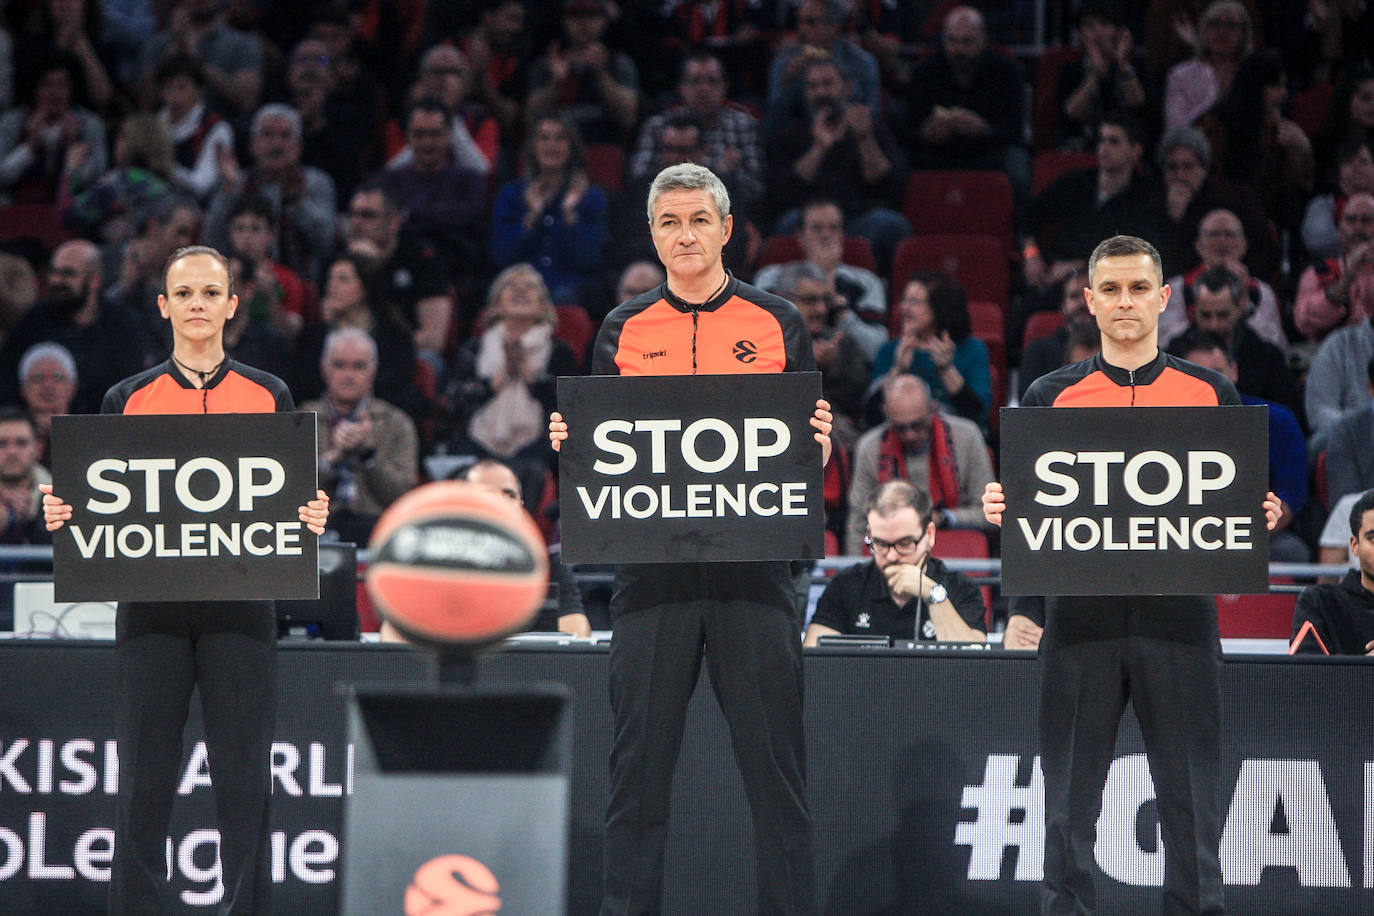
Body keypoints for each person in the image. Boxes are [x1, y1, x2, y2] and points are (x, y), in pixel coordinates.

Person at [547, 162, 831, 916]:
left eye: (698, 220)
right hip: (651, 578)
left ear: (727, 228)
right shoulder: (623, 327)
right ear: (652, 233)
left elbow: (804, 454)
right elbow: (603, 457)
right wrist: (573, 443)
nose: (685, 235)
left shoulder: (778, 322)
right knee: (635, 778)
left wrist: (820, 449)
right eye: (669, 222)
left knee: (778, 781)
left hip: (756, 574)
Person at [982, 235, 1281, 915]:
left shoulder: (1210, 393)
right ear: (1088, 301)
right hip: (1079, 625)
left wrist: (1254, 511)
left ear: (1163, 299)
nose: (1124, 302)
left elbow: (1230, 510)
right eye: (1110, 290)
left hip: (1179, 624)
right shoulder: (1049, 395)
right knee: (1066, 815)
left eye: (1138, 288)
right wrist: (1008, 507)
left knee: (1194, 815)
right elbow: (1031, 513)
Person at [41, 244, 329, 915]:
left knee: (243, 779)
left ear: (232, 305)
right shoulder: (126, 397)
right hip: (150, 611)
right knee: (143, 779)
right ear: (165, 306)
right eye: (185, 294)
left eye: (211, 293)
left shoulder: (269, 394)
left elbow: (289, 496)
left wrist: (309, 512)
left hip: (243, 608)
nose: (198, 305)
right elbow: (98, 501)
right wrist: (64, 510)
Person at [805, 480, 985, 645]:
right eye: (881, 544)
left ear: (929, 535)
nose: (892, 556)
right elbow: (815, 663)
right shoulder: (846, 584)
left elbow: (974, 665)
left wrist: (933, 595)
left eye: (904, 544)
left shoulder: (961, 587)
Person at [1182, 333, 1309, 562]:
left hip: (1259, 534)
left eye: (1217, 374)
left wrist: (1234, 539)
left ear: (1234, 371)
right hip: (1183, 537)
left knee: (1292, 552)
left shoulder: (1276, 421)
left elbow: (1291, 495)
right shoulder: (1165, 425)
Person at [446, 264, 579, 471]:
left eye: (530, 287)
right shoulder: (475, 347)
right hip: (476, 444)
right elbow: (453, 402)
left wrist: (529, 373)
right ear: (496, 304)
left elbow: (572, 405)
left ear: (544, 306)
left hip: (538, 449)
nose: (521, 291)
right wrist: (500, 377)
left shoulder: (559, 351)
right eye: (511, 286)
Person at [847, 373, 993, 556]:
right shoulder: (869, 446)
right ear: (886, 413)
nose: (910, 435)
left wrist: (945, 518)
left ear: (933, 409)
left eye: (917, 425)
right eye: (900, 427)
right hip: (893, 557)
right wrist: (853, 572)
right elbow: (859, 522)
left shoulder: (967, 436)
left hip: (955, 549)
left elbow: (990, 515)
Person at [0, 239, 146, 414]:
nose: (56, 281)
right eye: (53, 272)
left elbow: (133, 390)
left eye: (68, 274)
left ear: (94, 281)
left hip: (105, 430)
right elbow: (6, 380)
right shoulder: (34, 321)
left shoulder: (123, 324)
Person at [301, 327, 417, 546]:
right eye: (339, 365)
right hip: (315, 529)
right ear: (324, 368)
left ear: (373, 370)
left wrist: (369, 454)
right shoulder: (303, 419)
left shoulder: (397, 423)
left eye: (358, 366)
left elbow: (403, 497)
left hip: (378, 531)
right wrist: (332, 457)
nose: (348, 375)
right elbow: (290, 491)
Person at [203, 104, 337, 283]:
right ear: (252, 145)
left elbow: (327, 244)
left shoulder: (315, 182)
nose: (276, 144)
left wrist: (298, 203)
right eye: (267, 135)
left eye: (285, 136)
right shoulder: (236, 183)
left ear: (298, 147)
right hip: (242, 282)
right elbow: (210, 242)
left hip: (301, 283)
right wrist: (229, 191)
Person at [462, 457, 591, 637]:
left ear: (520, 506)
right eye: (489, 494)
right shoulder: (435, 563)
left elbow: (576, 637)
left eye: (510, 495)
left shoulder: (548, 565)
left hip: (532, 664)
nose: (502, 501)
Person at [490, 112, 608, 306]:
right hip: (520, 286)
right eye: (544, 138)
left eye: (560, 138)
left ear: (572, 146)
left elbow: (590, 260)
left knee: (563, 296)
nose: (551, 146)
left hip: (570, 289)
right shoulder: (512, 194)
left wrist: (570, 216)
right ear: (533, 146)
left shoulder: (591, 197)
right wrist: (531, 218)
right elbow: (502, 257)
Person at [752, 198, 889, 358]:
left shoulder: (867, 281)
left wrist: (840, 311)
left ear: (842, 234)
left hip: (850, 372)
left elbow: (877, 350)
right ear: (800, 236)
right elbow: (757, 332)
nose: (825, 235)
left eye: (834, 228)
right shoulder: (772, 276)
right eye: (817, 228)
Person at [1164, 265, 1300, 418]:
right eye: (1206, 315)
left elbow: (1286, 415)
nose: (1214, 325)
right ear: (1194, 311)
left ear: (1239, 308)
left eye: (1222, 315)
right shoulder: (1173, 356)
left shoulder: (1267, 358)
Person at [870, 273, 992, 430]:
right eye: (904, 300)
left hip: (955, 438)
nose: (904, 308)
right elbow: (872, 416)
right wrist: (899, 369)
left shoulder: (972, 349)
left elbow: (978, 415)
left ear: (939, 307)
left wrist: (946, 369)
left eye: (914, 302)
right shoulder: (890, 350)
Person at [1158, 208, 1287, 349]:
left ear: (1244, 245)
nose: (1222, 241)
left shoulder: (1262, 291)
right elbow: (1165, 342)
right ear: (1198, 245)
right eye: (1214, 234)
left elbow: (1275, 344)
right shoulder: (1177, 288)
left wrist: (1245, 303)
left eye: (1229, 234)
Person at [1291, 489, 1374, 655]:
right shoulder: (1319, 602)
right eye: (1373, 538)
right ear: (1354, 545)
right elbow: (1303, 676)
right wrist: (1365, 666)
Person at [1294, 191, 1374, 341]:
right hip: (1333, 357)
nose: (1357, 227)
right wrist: (1346, 280)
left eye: (1367, 220)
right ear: (1340, 229)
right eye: (1350, 220)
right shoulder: (1318, 272)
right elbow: (1304, 323)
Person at [1162, 0, 1252, 132]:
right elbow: (1175, 129)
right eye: (1215, 24)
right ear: (1204, 30)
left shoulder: (1253, 73)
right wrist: (1215, 97)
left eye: (1231, 25)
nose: (1222, 32)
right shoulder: (1181, 74)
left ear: (1244, 33)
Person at [1018, 271, 1100, 400]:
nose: (1082, 303)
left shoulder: (1122, 349)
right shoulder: (1039, 351)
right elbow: (1030, 407)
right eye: (1074, 296)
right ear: (1063, 307)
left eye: (1089, 296)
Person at [1303, 137, 1374, 262]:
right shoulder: (1322, 205)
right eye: (1349, 162)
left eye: (1363, 161)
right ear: (1339, 171)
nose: (1356, 166)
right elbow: (1318, 242)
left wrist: (1352, 239)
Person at [16, 341, 76, 467]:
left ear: (73, 387)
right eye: (38, 378)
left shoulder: (89, 433)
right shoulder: (7, 434)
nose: (48, 385)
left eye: (57, 377)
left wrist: (63, 432)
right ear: (23, 389)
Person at [0, 407, 51, 545]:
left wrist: (35, 522)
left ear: (38, 448)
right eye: (2, 444)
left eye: (21, 443)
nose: (12, 452)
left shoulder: (59, 494)